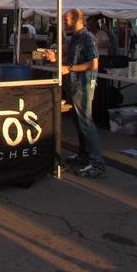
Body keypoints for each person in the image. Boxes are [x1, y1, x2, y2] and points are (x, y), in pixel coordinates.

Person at [48, 9, 106, 178]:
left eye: (66, 19)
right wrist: (56, 59)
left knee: (86, 122)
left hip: (83, 84)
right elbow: (71, 60)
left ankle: (97, 162)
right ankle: (84, 155)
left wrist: (69, 68)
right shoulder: (75, 37)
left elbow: (93, 63)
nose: (64, 22)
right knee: (79, 121)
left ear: (75, 19)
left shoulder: (87, 37)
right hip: (74, 85)